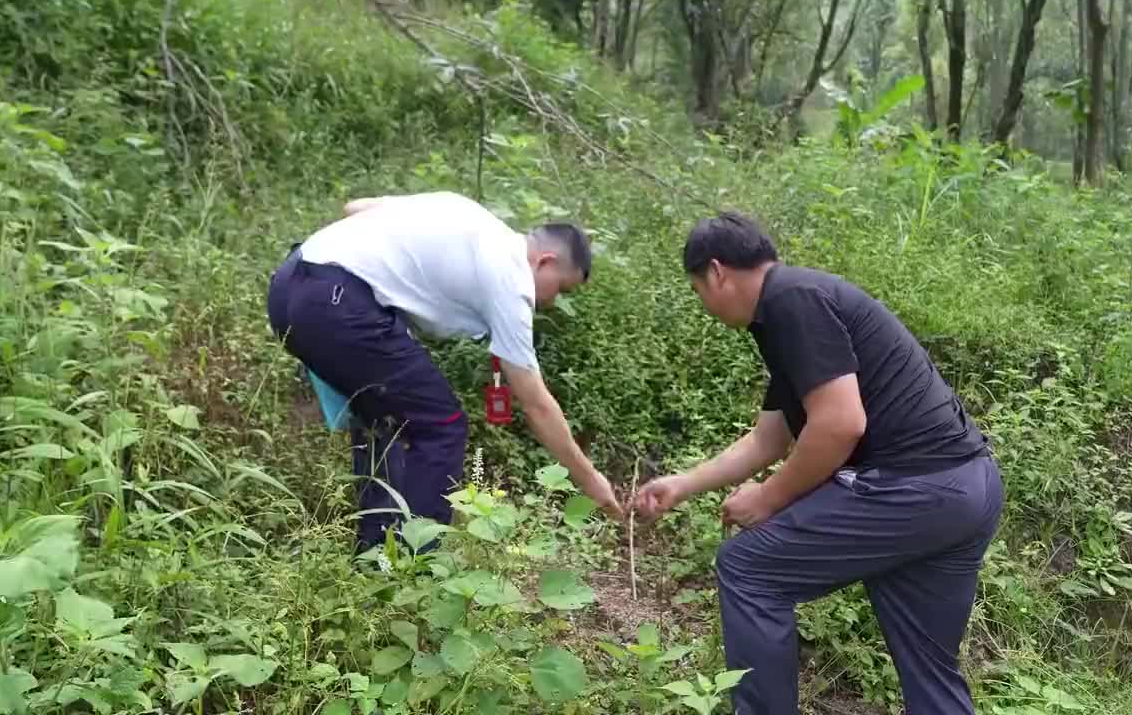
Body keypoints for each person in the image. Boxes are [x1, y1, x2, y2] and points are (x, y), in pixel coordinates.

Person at [631, 212, 1004, 715]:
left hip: (915, 489)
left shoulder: (790, 301)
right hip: (967, 488)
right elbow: (769, 439)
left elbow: (840, 423)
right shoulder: (796, 309)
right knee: (930, 671)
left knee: (749, 569)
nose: (703, 304)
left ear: (717, 272)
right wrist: (683, 485)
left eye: (698, 289)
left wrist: (768, 498)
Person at [266, 190, 622, 552]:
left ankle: (375, 555)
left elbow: (355, 207)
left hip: (289, 285)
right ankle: (415, 563)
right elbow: (536, 405)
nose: (551, 301)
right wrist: (590, 480)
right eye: (560, 288)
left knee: (384, 417)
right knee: (442, 426)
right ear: (544, 261)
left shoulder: (465, 211)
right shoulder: (511, 280)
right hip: (336, 303)